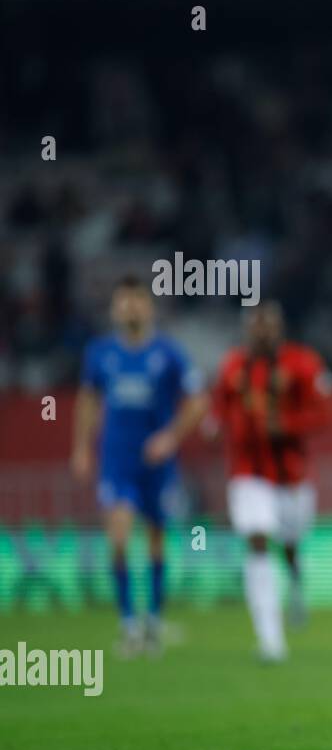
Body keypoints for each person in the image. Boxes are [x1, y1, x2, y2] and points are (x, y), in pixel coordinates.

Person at [71, 276, 207, 656]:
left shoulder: (169, 353)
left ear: (149, 306)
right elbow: (87, 401)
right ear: (114, 308)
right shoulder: (100, 353)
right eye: (123, 301)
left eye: (137, 300)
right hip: (117, 460)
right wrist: (81, 448)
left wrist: (170, 437)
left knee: (156, 540)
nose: (130, 307)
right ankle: (129, 624)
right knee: (117, 537)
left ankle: (154, 621)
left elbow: (198, 402)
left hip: (157, 464)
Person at [212, 302, 332, 661]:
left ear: (279, 327)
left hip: (292, 475)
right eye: (256, 324)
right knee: (258, 538)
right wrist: (220, 426)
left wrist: (287, 425)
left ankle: (295, 582)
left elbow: (325, 413)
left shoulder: (303, 363)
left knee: (291, 542)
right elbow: (218, 410)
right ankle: (270, 639)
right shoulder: (232, 366)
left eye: (268, 324)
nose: (262, 331)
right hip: (248, 474)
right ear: (248, 328)